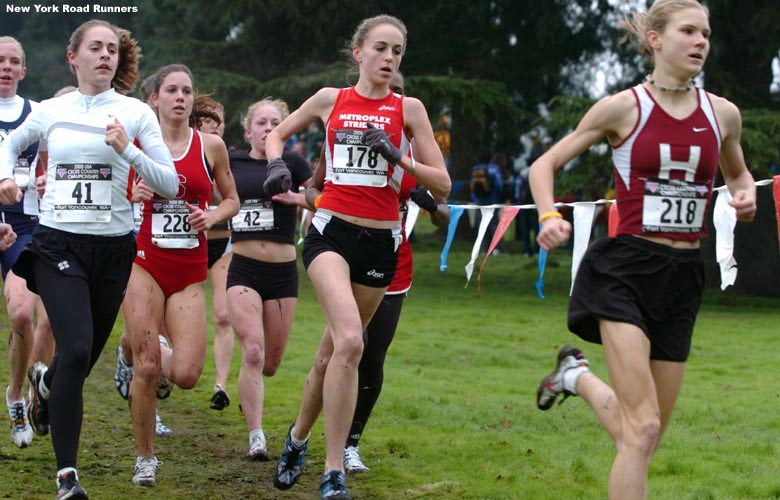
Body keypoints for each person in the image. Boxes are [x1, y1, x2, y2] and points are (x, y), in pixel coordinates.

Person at [529, 2, 756, 499]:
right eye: (689, 31)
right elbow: (543, 165)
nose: (701, 42)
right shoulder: (623, 107)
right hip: (625, 270)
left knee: (643, 432)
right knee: (644, 429)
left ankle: (576, 378)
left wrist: (746, 195)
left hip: (683, 275)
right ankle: (577, 377)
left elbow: (738, 173)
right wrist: (549, 216)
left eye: (706, 34)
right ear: (655, 39)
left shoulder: (723, 114)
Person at [265, 14, 450, 500]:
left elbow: (443, 183)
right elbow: (275, 134)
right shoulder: (332, 100)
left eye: (398, 52)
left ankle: (297, 438)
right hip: (330, 235)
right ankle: (333, 473)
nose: (389, 59)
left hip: (381, 243)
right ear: (358, 53)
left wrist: (398, 155)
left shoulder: (409, 109)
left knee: (331, 355)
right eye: (381, 49)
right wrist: (275, 166)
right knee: (351, 341)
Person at [0, 19, 179, 499]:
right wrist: (4, 178)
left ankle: (45, 385)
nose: (105, 55)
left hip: (114, 250)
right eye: (95, 48)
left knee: (77, 364)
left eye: (113, 50)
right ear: (72, 57)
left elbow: (169, 183)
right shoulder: (51, 110)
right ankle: (67, 477)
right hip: (58, 243)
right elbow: (9, 142)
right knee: (75, 350)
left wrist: (129, 152)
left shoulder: (136, 113)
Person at [115, 63, 238, 487]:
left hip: (189, 271)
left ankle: (129, 344)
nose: (181, 97)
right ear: (155, 99)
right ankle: (145, 458)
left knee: (185, 375)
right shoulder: (135, 145)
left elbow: (232, 199)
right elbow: (113, 198)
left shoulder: (211, 146)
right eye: (172, 90)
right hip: (144, 263)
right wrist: (131, 192)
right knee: (148, 368)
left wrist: (213, 214)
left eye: (187, 90)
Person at [336, 70, 452, 473]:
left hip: (394, 266)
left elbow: (445, 217)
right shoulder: (345, 138)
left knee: (373, 355)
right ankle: (321, 429)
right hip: (346, 256)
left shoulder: (414, 161)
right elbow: (317, 190)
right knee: (346, 347)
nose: (393, 104)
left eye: (400, 96)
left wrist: (431, 204)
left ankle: (351, 442)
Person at [226, 98, 311, 460]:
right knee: (253, 350)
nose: (267, 128)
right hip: (243, 266)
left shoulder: (292, 163)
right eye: (260, 123)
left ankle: (253, 399)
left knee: (271, 364)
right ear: (248, 131)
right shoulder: (232, 160)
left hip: (282, 272)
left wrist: (299, 198)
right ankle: (256, 436)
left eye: (275, 122)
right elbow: (205, 186)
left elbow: (323, 195)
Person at [0, 35, 52, 450]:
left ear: (23, 70)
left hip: (23, 224)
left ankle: (16, 396)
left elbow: (53, 161)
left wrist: (44, 180)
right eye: (0, 60)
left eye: (14, 61)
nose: (6, 67)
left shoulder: (38, 113)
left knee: (21, 315)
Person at [193, 96, 236, 412]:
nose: (214, 125)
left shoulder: (225, 155)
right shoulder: (183, 151)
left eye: (218, 120)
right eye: (208, 118)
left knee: (223, 315)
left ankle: (220, 385)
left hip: (223, 244)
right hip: (187, 244)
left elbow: (232, 197)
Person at [469, 152, 505, 254]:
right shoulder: (494, 169)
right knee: (494, 224)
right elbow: (499, 185)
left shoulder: (475, 169)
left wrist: (475, 198)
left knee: (481, 224)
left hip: (479, 200)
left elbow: (472, 186)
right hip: (492, 200)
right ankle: (496, 249)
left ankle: (483, 249)